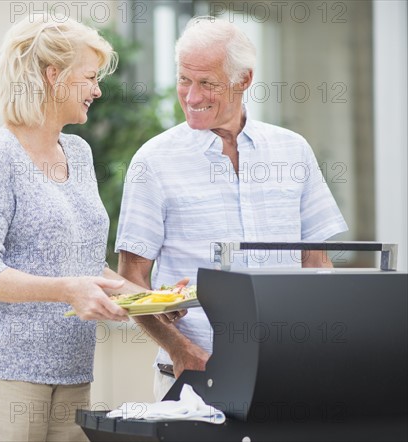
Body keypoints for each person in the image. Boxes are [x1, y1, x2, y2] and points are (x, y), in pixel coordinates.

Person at [115, 16, 348, 401]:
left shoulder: (293, 151)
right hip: (192, 375)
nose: (191, 97)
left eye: (206, 83)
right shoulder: (152, 162)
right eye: (184, 80)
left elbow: (316, 264)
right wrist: (179, 348)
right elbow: (132, 281)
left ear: (244, 80)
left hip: (285, 370)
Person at [0, 16, 140, 442]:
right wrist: (66, 290)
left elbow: (84, 264)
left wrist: (148, 300)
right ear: (53, 76)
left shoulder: (79, 152)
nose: (97, 90)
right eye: (89, 77)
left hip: (71, 369)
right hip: (0, 369)